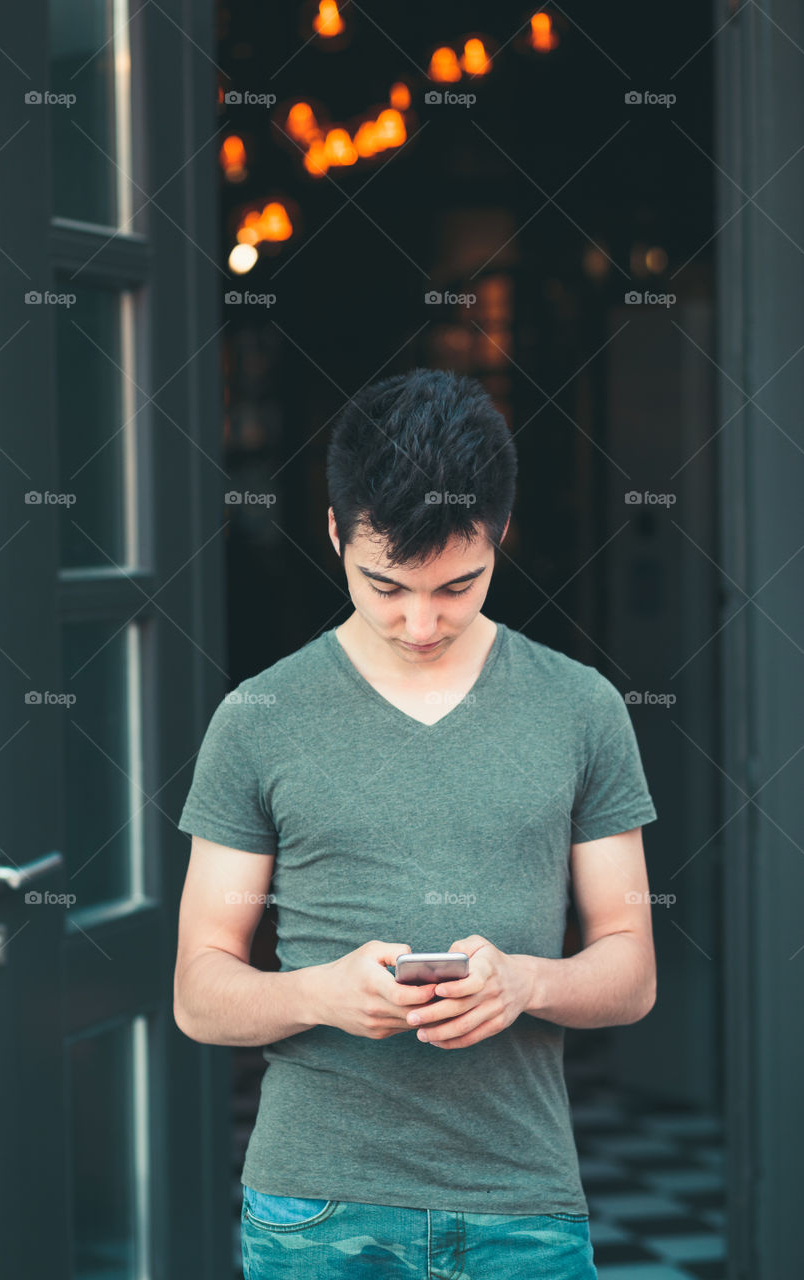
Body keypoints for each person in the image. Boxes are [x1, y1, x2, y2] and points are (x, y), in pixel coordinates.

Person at [174, 367, 658, 1279]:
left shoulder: (581, 708)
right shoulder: (258, 717)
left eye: (456, 586)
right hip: (315, 1209)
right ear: (332, 532)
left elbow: (629, 971)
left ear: (500, 533)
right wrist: (320, 996)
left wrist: (521, 984)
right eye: (385, 585)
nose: (421, 622)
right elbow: (199, 992)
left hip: (523, 1205)